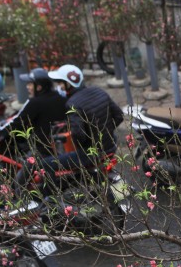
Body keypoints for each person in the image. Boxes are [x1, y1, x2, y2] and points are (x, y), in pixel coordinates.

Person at [17, 64, 123, 197]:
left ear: (69, 84)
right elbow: (119, 116)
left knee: (45, 164)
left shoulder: (72, 103)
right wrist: (105, 131)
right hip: (110, 147)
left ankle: (51, 201)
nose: (59, 86)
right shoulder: (99, 91)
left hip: (91, 154)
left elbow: (78, 134)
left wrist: (83, 145)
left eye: (61, 83)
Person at [8, 68, 68, 158]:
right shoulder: (61, 98)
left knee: (23, 172)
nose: (27, 87)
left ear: (39, 87)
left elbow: (17, 123)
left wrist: (0, 132)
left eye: (30, 84)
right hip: (59, 146)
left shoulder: (34, 102)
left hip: (42, 150)